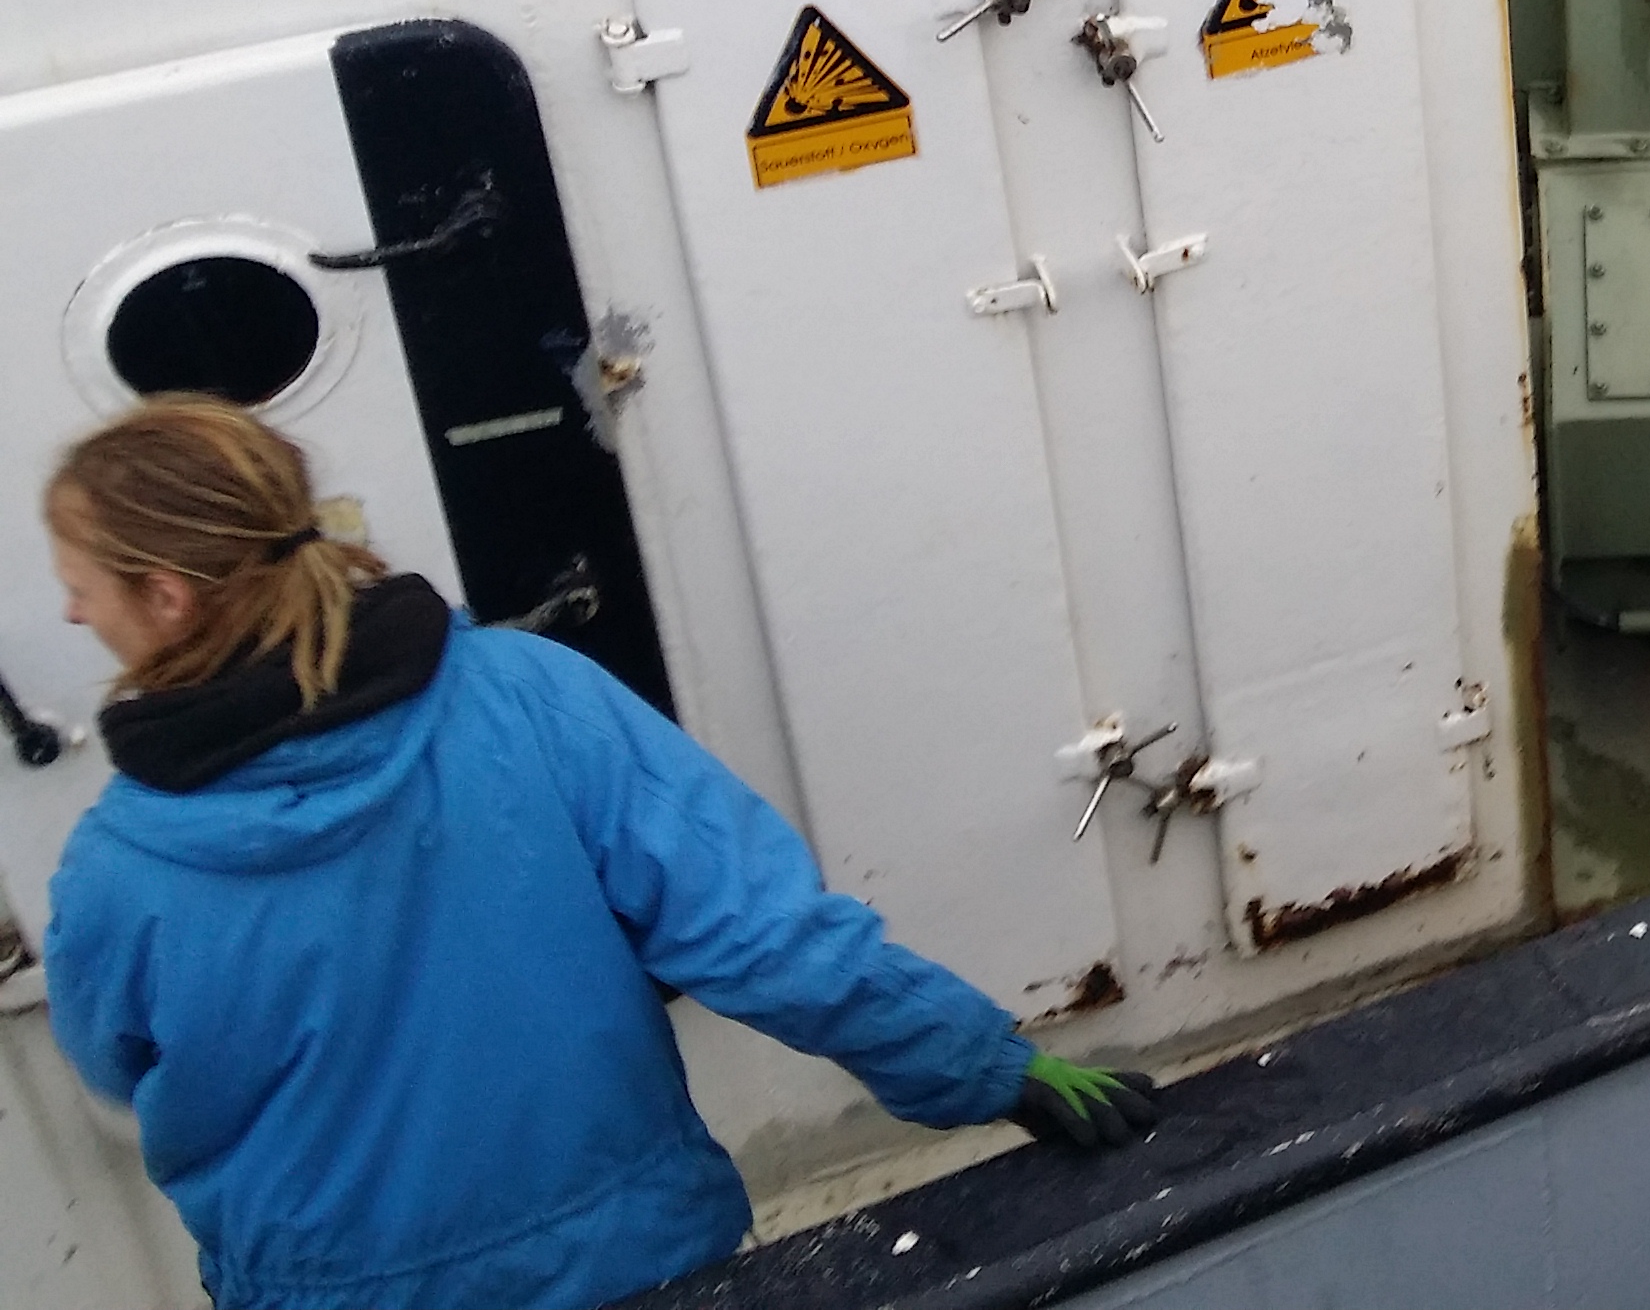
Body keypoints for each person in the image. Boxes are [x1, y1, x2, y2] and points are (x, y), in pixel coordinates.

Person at [38, 396, 1159, 1310]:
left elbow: (115, 1071)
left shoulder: (118, 870)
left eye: (79, 587)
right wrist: (987, 1066)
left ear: (169, 599)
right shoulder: (530, 697)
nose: (77, 616)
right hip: (639, 1265)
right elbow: (766, 940)